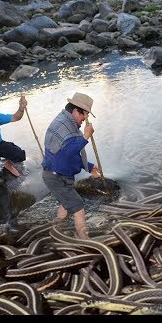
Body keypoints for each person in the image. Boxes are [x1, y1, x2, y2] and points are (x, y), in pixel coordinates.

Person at [41, 92, 100, 239]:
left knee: (66, 204)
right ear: (75, 111)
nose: (83, 121)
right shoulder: (62, 126)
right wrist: (85, 137)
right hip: (55, 175)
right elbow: (67, 153)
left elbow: (71, 155)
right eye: (83, 116)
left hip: (59, 174)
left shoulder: (68, 123)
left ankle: (57, 229)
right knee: (78, 206)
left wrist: (90, 166)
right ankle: (84, 239)